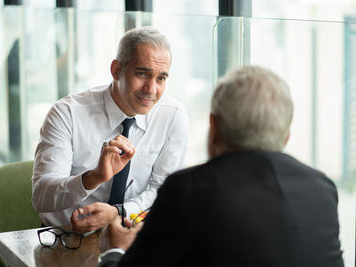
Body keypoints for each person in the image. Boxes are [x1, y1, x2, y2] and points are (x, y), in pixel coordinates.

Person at [98, 65, 344, 267]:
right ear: (286, 135)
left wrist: (115, 251)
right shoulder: (323, 189)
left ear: (213, 128)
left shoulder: (188, 190)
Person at [31, 26, 188, 231]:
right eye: (142, 73)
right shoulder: (67, 113)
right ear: (116, 70)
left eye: (161, 78)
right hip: (66, 237)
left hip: (132, 233)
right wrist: (93, 177)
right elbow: (41, 197)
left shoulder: (172, 115)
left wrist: (120, 212)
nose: (151, 89)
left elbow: (164, 191)